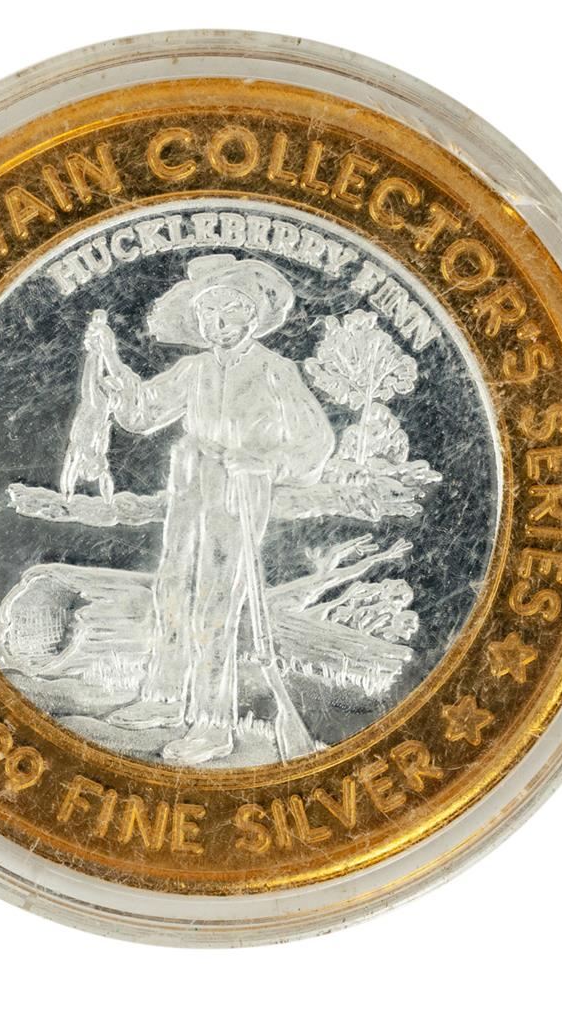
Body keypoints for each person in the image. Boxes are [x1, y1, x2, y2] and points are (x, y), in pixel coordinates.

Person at [84, 254, 334, 764]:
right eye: (206, 313)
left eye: (227, 312)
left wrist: (264, 463)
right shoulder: (194, 368)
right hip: (190, 479)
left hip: (238, 487)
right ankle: (164, 699)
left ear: (252, 316)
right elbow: (143, 412)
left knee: (216, 605)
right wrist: (110, 361)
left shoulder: (275, 371)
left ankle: (213, 724)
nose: (214, 323)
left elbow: (315, 442)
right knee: (173, 587)